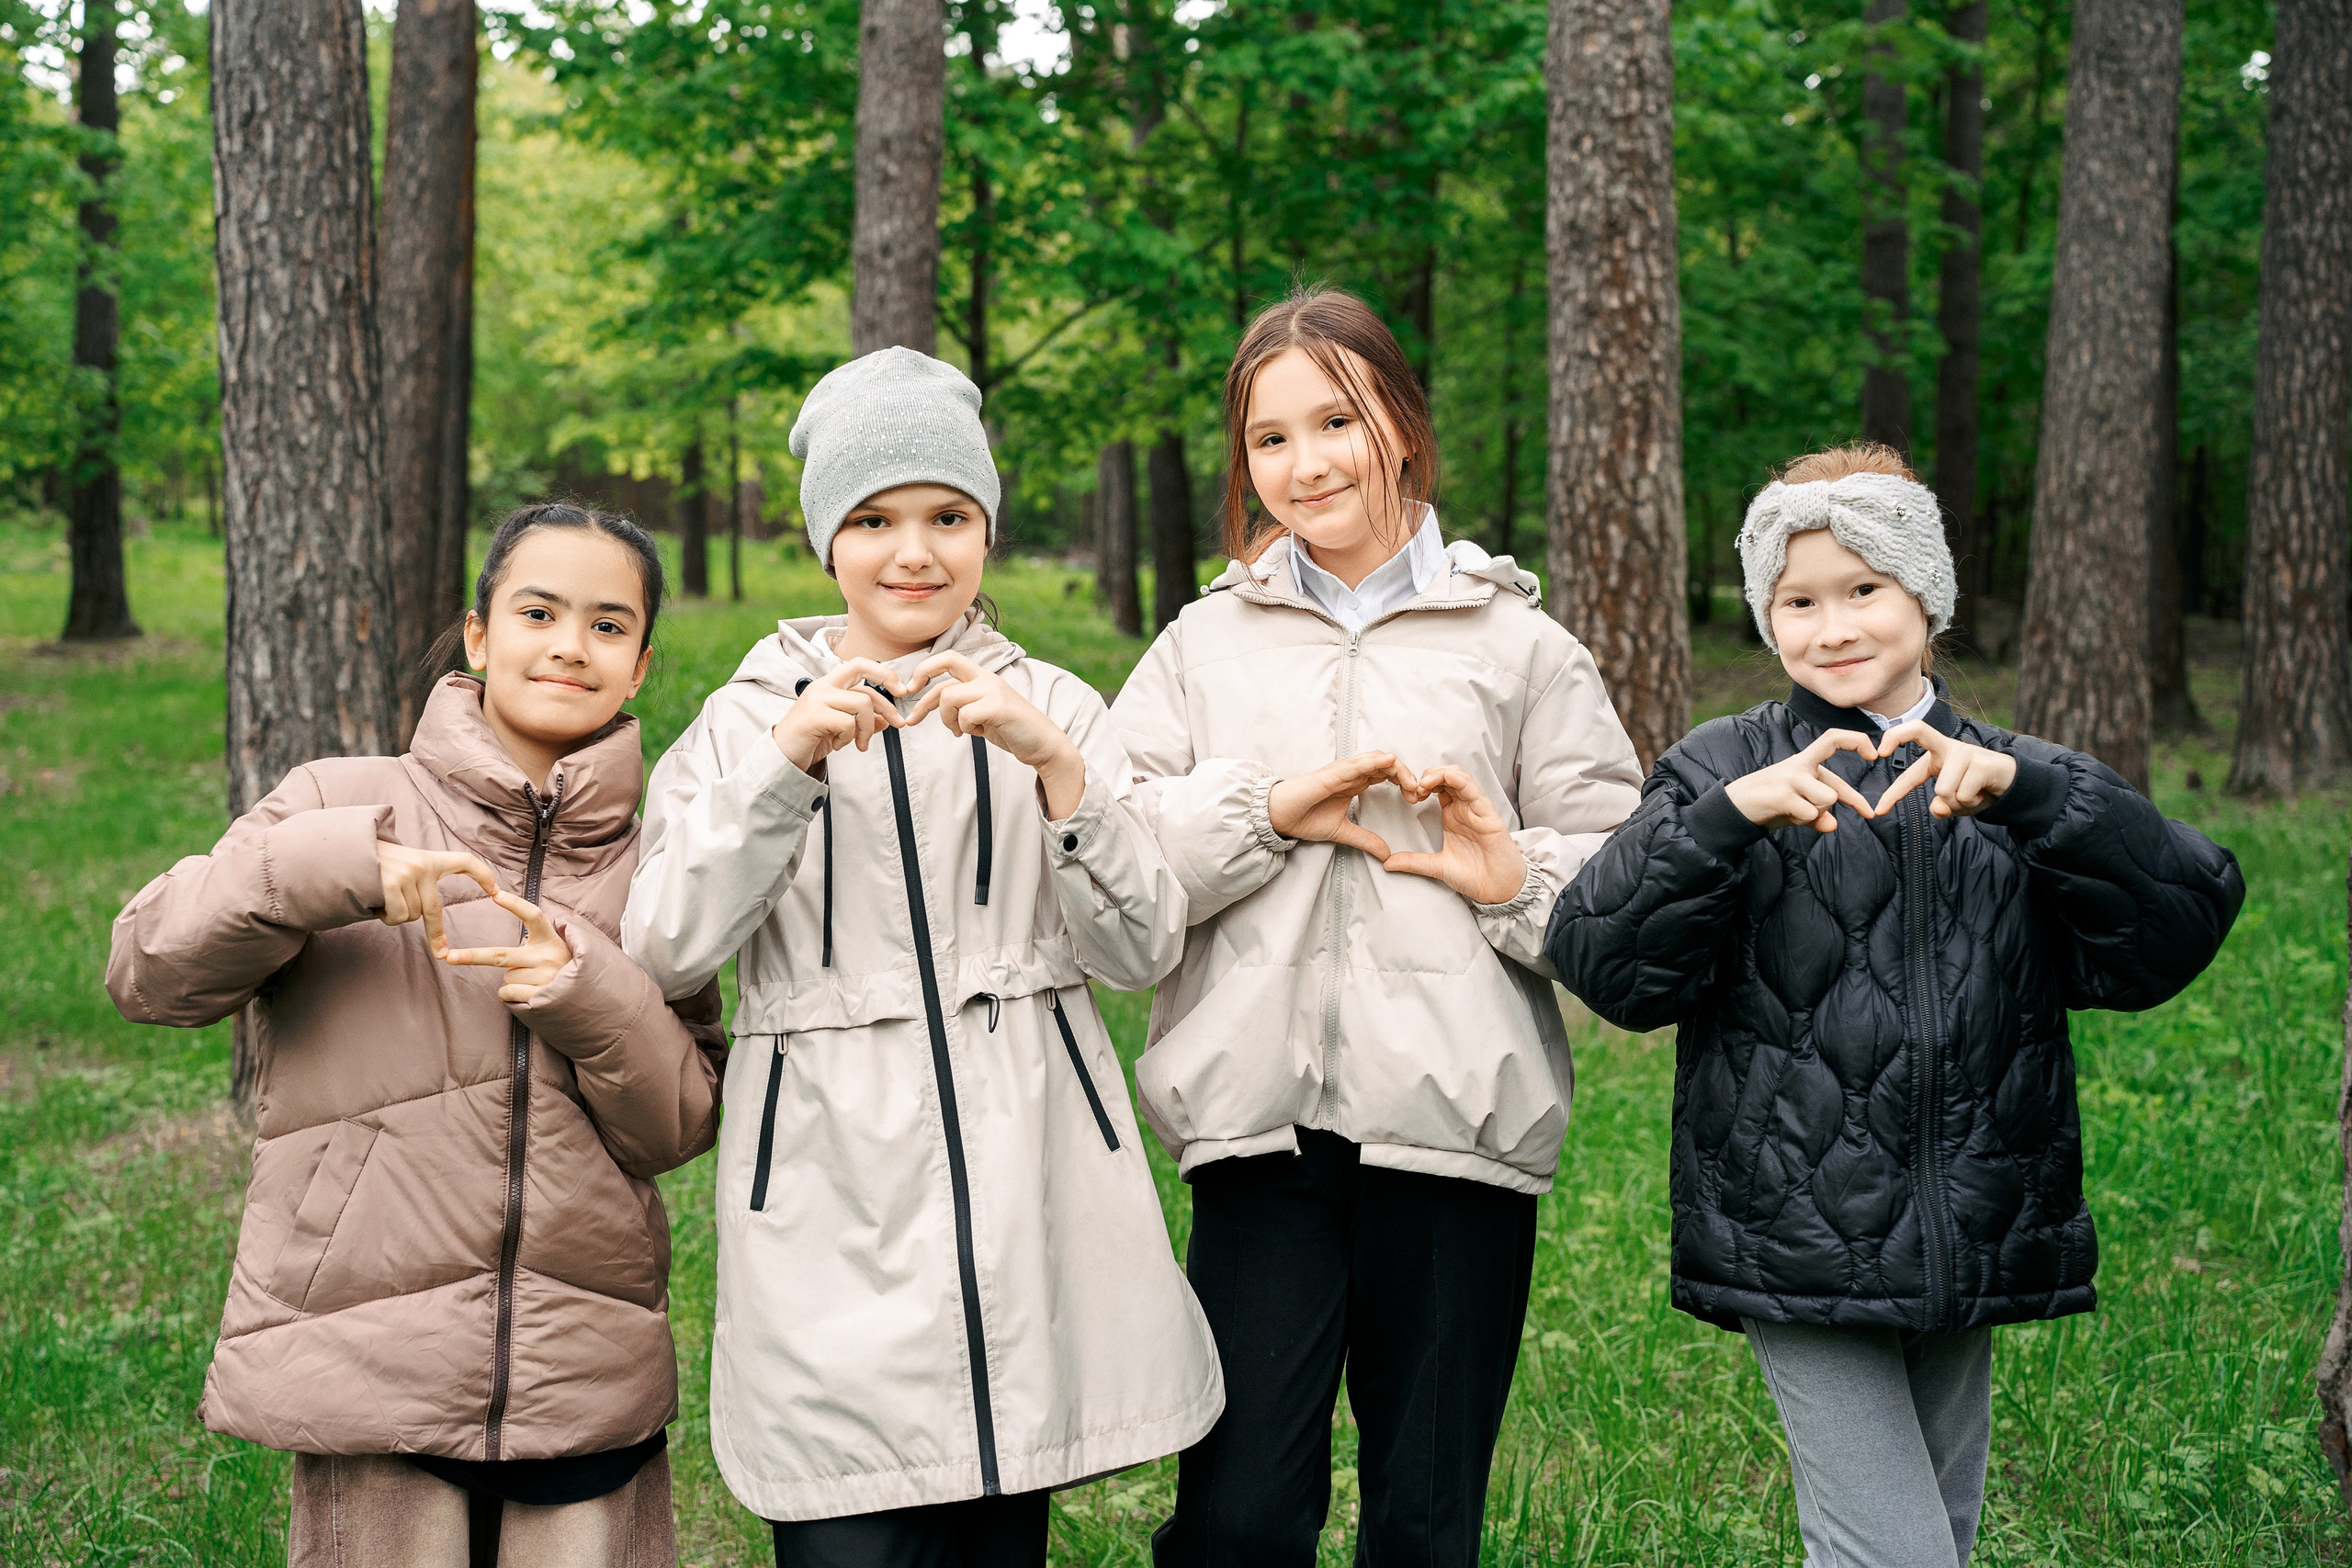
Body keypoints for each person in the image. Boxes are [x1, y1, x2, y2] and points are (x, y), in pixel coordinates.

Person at [1543, 444, 2245, 1568]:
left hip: (1972, 1222)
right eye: (1798, 601)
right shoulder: (1719, 769)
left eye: (1863, 589)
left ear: (1927, 596)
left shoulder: (2010, 774)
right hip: (1795, 1233)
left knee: (1938, 1541)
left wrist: (2037, 798)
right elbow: (1602, 961)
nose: (1833, 628)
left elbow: (2172, 931)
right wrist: (1722, 823)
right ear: (1766, 616)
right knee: (1894, 1553)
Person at [622, 347, 1222, 1568]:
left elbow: (1140, 945)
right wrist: (785, 765)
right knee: (849, 1533)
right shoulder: (744, 720)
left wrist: (1059, 773)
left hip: (1026, 1196)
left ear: (987, 529)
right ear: (825, 541)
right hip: (824, 1195)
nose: (915, 552)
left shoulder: (1058, 705)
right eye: (874, 519)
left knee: (997, 1523)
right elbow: (666, 942)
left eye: (949, 516)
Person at [1108, 284, 1645, 1567]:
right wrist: (1265, 813)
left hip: (1456, 1135)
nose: (1305, 463)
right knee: (1237, 1520)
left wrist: (1506, 873)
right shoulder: (1199, 647)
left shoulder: (1523, 648)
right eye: (1270, 437)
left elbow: (1623, 891)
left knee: (1424, 1521)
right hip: (1258, 1134)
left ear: (1399, 422)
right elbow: (1114, 876)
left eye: (1335, 421)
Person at [107, 502, 727, 1568]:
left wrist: (587, 992)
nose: (570, 645)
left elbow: (676, 1126)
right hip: (370, 1357)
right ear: (479, 635)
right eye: (538, 612)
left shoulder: (662, 864)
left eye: (608, 625)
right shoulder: (343, 801)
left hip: (582, 1373)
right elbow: (148, 972)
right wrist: (330, 869)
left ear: (640, 666)